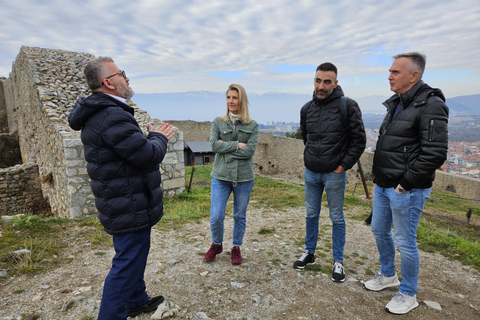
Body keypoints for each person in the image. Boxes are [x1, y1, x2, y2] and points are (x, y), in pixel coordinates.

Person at [68, 56, 175, 319]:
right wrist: (160, 137)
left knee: (134, 255)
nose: (127, 78)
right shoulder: (112, 115)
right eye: (122, 74)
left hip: (124, 200)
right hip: (127, 203)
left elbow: (128, 150)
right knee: (127, 263)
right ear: (108, 82)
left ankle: (136, 300)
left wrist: (146, 138)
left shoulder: (103, 113)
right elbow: (147, 156)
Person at [364, 52, 449, 315]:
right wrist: (380, 181)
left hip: (407, 189)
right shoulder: (398, 102)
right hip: (384, 185)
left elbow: (435, 153)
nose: (389, 76)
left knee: (405, 240)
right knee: (379, 230)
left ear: (414, 75)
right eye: (389, 71)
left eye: (395, 72)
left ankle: (408, 292)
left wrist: (405, 185)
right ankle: (388, 275)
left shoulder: (431, 105)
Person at [293, 63, 366, 283]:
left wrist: (342, 166)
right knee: (311, 214)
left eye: (327, 81)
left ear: (335, 83)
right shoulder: (307, 108)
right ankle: (310, 253)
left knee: (337, 217)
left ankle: (338, 261)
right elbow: (306, 137)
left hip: (334, 173)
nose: (321, 86)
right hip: (311, 172)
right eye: (318, 80)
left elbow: (359, 141)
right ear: (314, 81)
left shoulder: (348, 106)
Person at [203, 84, 259, 265]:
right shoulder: (218, 122)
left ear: (241, 100)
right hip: (220, 175)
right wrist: (236, 145)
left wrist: (225, 148)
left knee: (239, 216)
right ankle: (217, 244)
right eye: (228, 97)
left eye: (234, 98)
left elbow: (249, 151)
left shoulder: (253, 125)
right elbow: (213, 146)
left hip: (243, 177)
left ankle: (236, 247)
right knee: (216, 215)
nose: (231, 101)